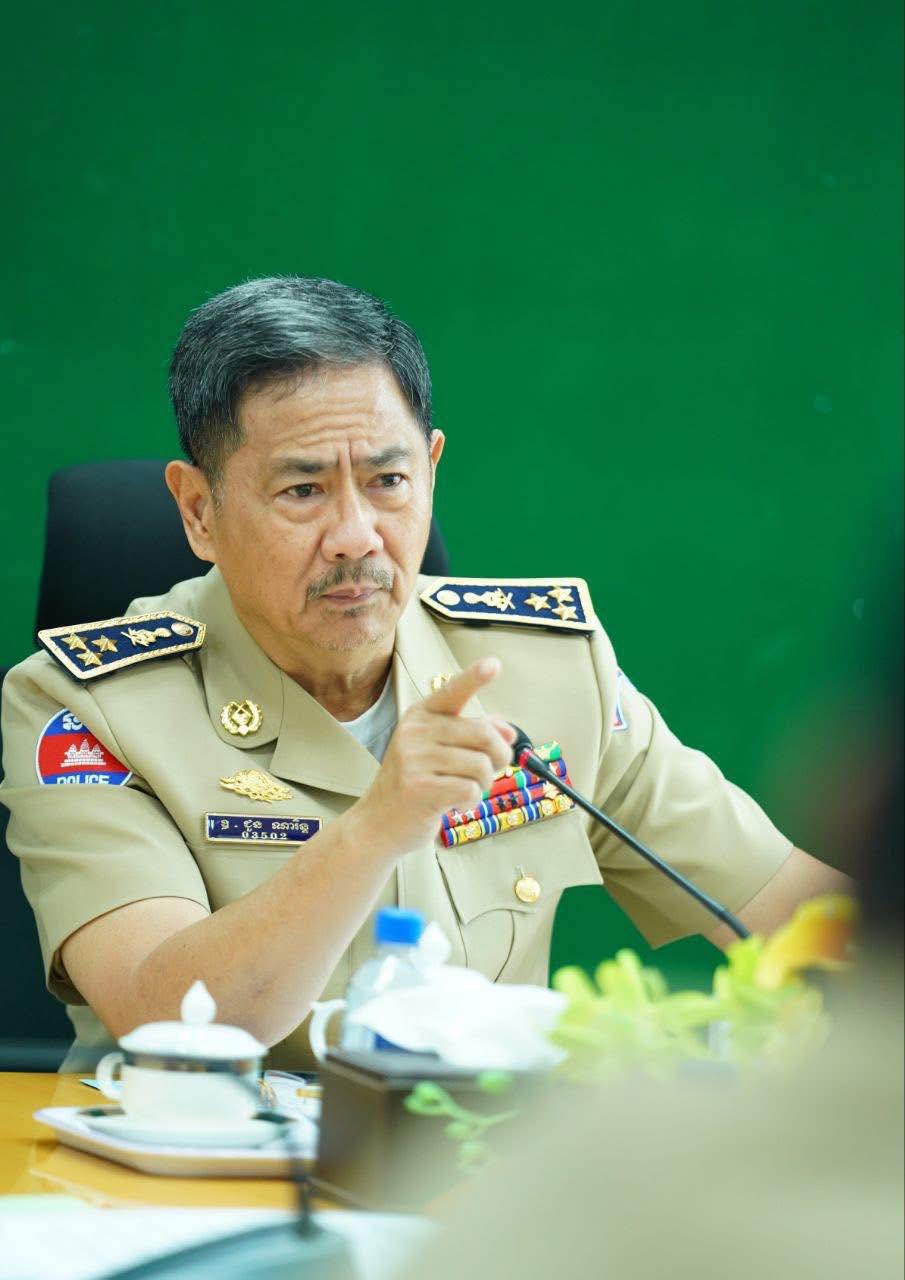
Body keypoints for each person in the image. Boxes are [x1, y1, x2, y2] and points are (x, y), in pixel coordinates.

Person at [0, 277, 852, 1070]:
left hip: (473, 1165)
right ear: (198, 510)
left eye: (388, 481)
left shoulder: (548, 668)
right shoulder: (80, 708)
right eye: (302, 491)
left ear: (431, 471)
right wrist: (377, 826)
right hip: (192, 1165)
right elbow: (164, 1017)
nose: (356, 535)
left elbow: (789, 907)